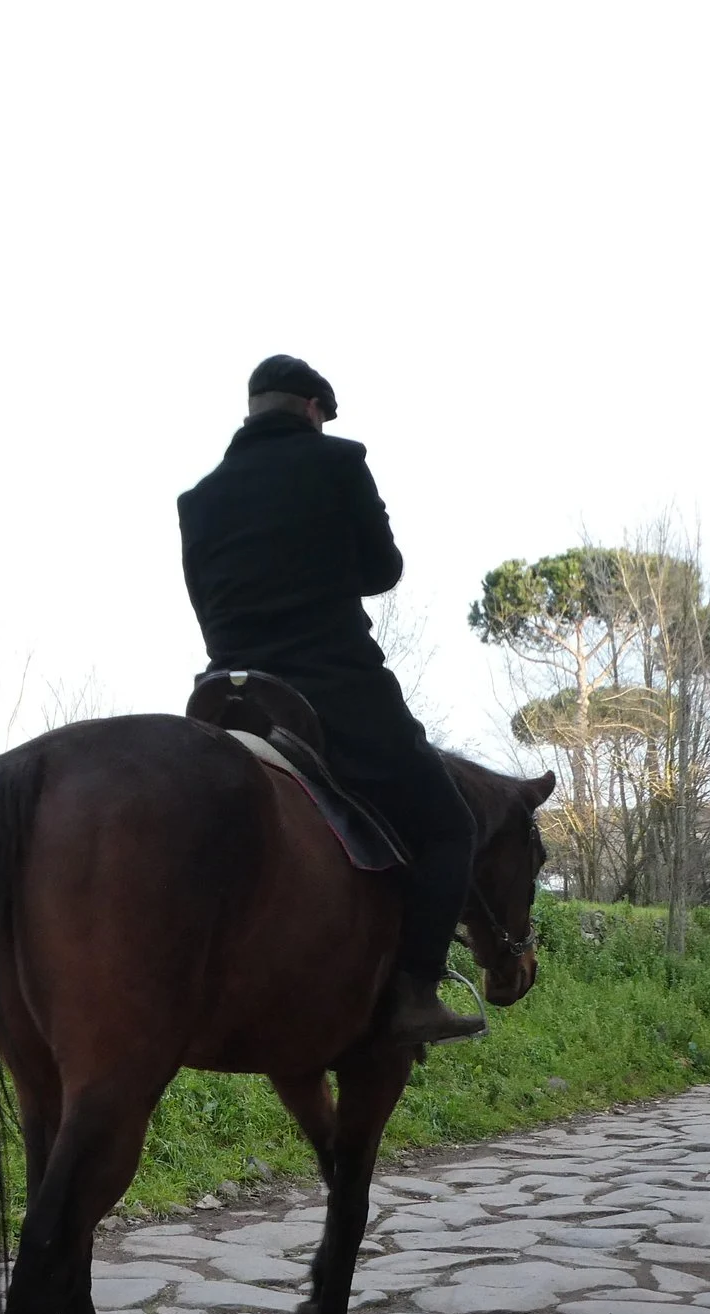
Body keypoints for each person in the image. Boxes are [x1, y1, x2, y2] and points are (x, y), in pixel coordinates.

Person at [177, 354, 483, 1045]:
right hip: (332, 689)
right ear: (314, 408)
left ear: (254, 408)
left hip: (227, 696)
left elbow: (205, 601)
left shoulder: (197, 499)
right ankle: (414, 992)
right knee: (449, 826)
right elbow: (384, 568)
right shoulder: (339, 462)